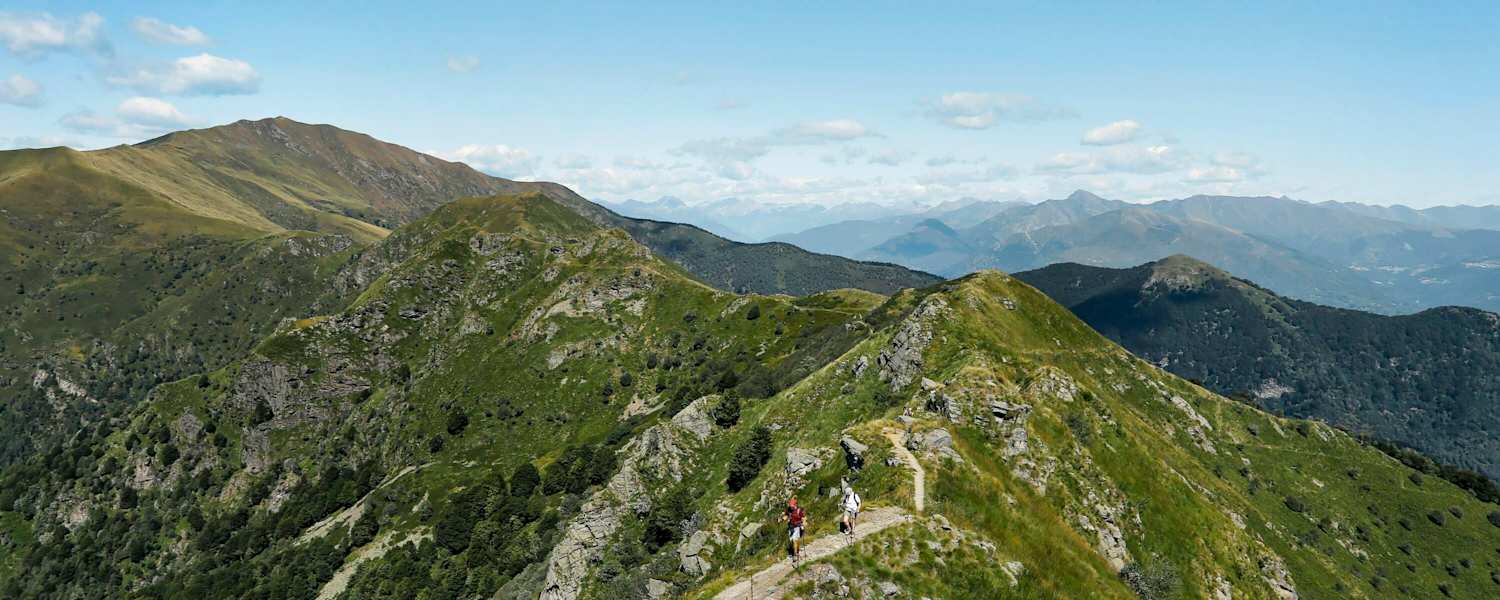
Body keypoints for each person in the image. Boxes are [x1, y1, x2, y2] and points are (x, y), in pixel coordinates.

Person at [781, 497, 808, 562]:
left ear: (795, 505)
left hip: (797, 527)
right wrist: (782, 519)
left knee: (795, 540)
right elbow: (786, 516)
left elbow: (804, 517)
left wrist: (804, 523)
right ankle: (796, 551)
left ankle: (795, 554)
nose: (791, 507)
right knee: (792, 541)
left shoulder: (799, 510)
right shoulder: (789, 509)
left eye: (792, 505)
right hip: (790, 527)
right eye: (790, 505)